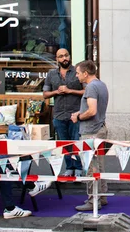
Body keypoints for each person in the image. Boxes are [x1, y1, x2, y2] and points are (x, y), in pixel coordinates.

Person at [71, 60, 109, 211]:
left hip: (91, 131)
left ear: (86, 73)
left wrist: (78, 117)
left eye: (78, 73)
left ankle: (93, 200)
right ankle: (102, 196)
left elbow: (92, 110)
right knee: (99, 165)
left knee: (90, 167)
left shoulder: (91, 87)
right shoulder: (101, 84)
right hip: (100, 127)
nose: (76, 76)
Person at [42, 48, 84, 174]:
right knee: (64, 143)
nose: (64, 58)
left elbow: (86, 91)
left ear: (69, 56)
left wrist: (70, 91)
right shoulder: (51, 74)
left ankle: (78, 167)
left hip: (75, 113)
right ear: (57, 59)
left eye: (66, 55)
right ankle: (69, 167)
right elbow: (45, 94)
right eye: (61, 56)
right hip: (59, 114)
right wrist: (57, 91)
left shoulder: (77, 72)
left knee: (75, 141)